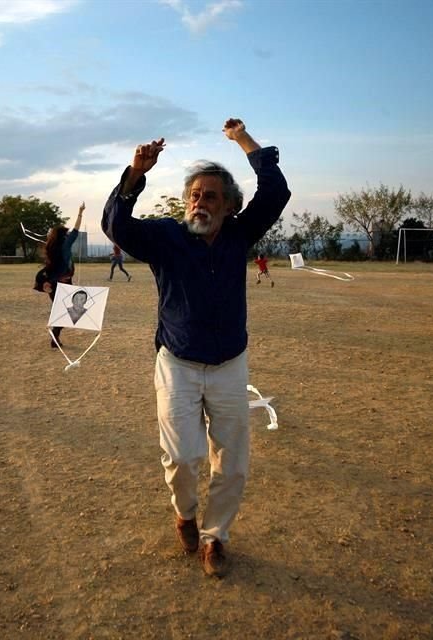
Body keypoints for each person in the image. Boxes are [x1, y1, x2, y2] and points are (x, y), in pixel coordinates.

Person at [101, 118, 290, 578]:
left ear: (228, 206)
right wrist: (135, 174)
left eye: (209, 196)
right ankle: (184, 513)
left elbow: (276, 191)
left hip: (230, 365)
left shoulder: (240, 235)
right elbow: (116, 224)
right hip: (177, 364)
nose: (198, 202)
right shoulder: (167, 237)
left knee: (233, 464)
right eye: (194, 195)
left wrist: (243, 140)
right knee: (183, 457)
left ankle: (215, 539)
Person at [33, 202, 84, 348]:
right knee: (71, 311)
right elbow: (76, 230)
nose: (69, 235)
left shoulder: (53, 248)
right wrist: (80, 212)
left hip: (58, 284)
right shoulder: (65, 245)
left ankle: (55, 337)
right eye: (66, 234)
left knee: (69, 311)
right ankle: (54, 337)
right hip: (61, 284)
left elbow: (53, 269)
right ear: (64, 236)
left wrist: (52, 281)